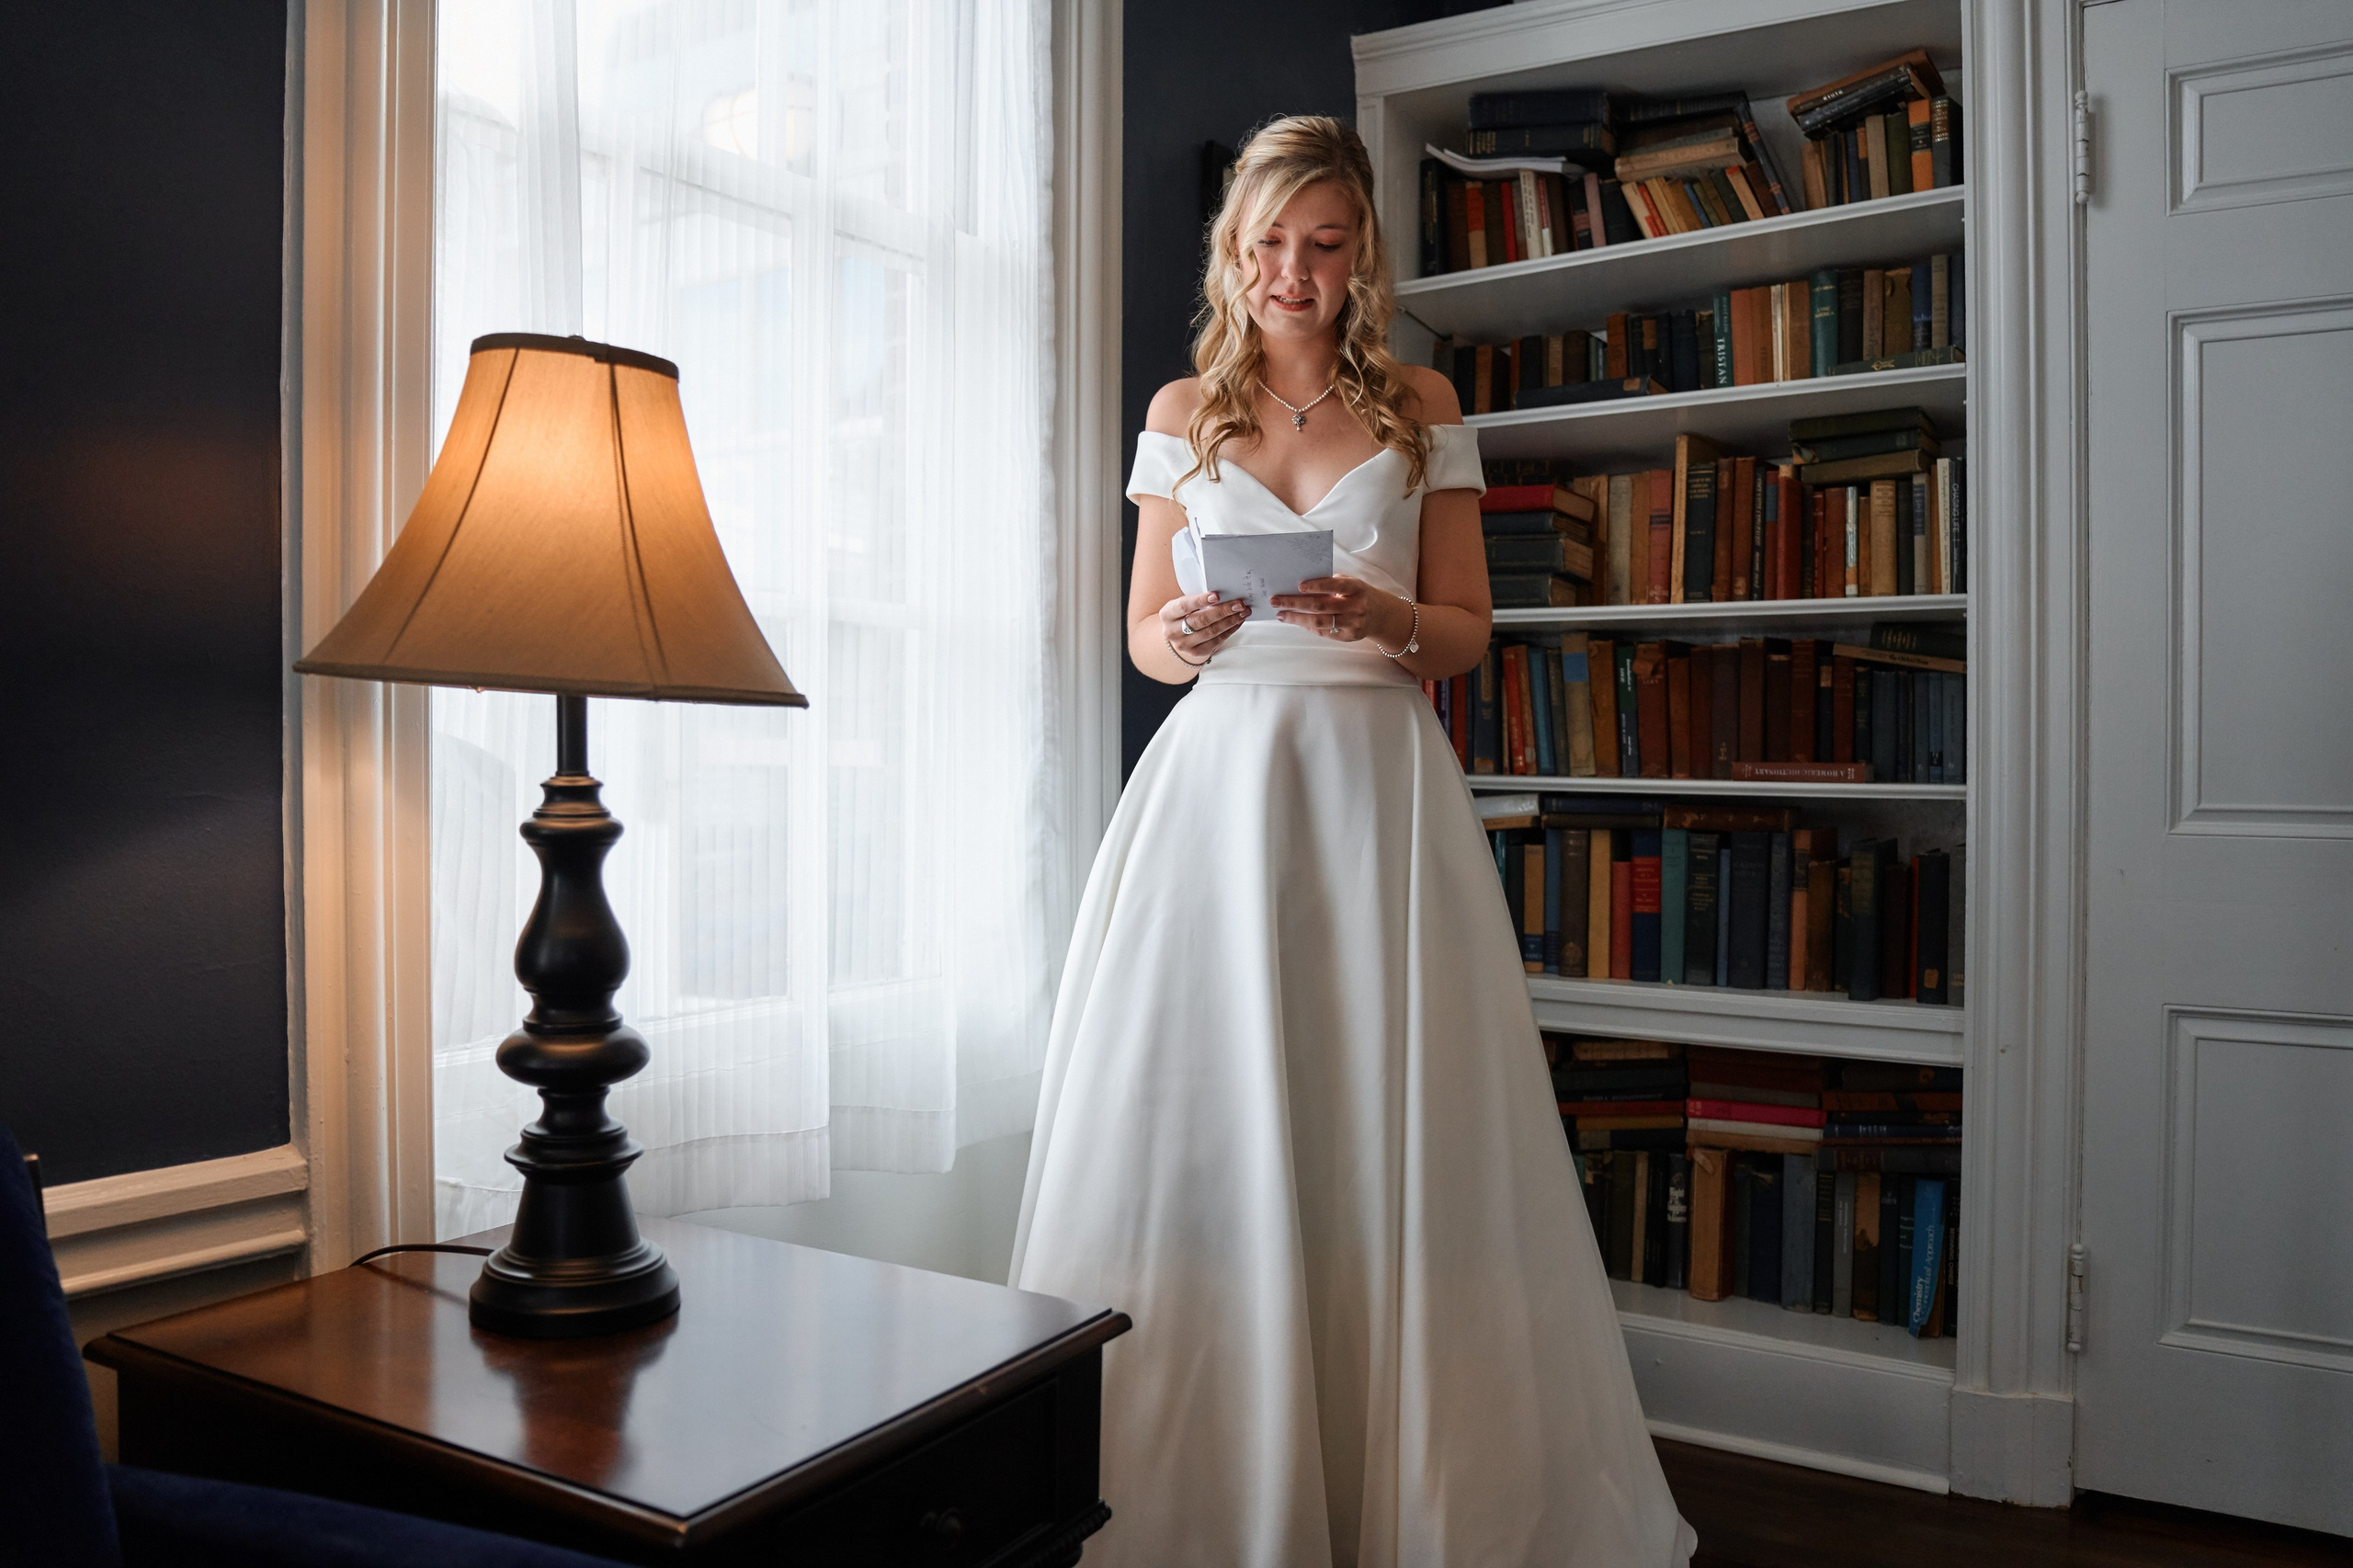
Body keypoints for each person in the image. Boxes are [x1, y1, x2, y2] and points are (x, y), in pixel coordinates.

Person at [1010, 116, 1696, 1568]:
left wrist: (1381, 616)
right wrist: (1186, 632)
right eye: (1268, 243)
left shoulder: (1422, 406)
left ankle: (1414, 1486)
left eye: (1323, 244)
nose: (1293, 271)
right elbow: (1141, 638)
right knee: (1217, 1113)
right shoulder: (1181, 410)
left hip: (1377, 787)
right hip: (1220, 791)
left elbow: (1463, 630)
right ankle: (1200, 1480)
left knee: (1390, 1113)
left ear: (1361, 253)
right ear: (1233, 251)